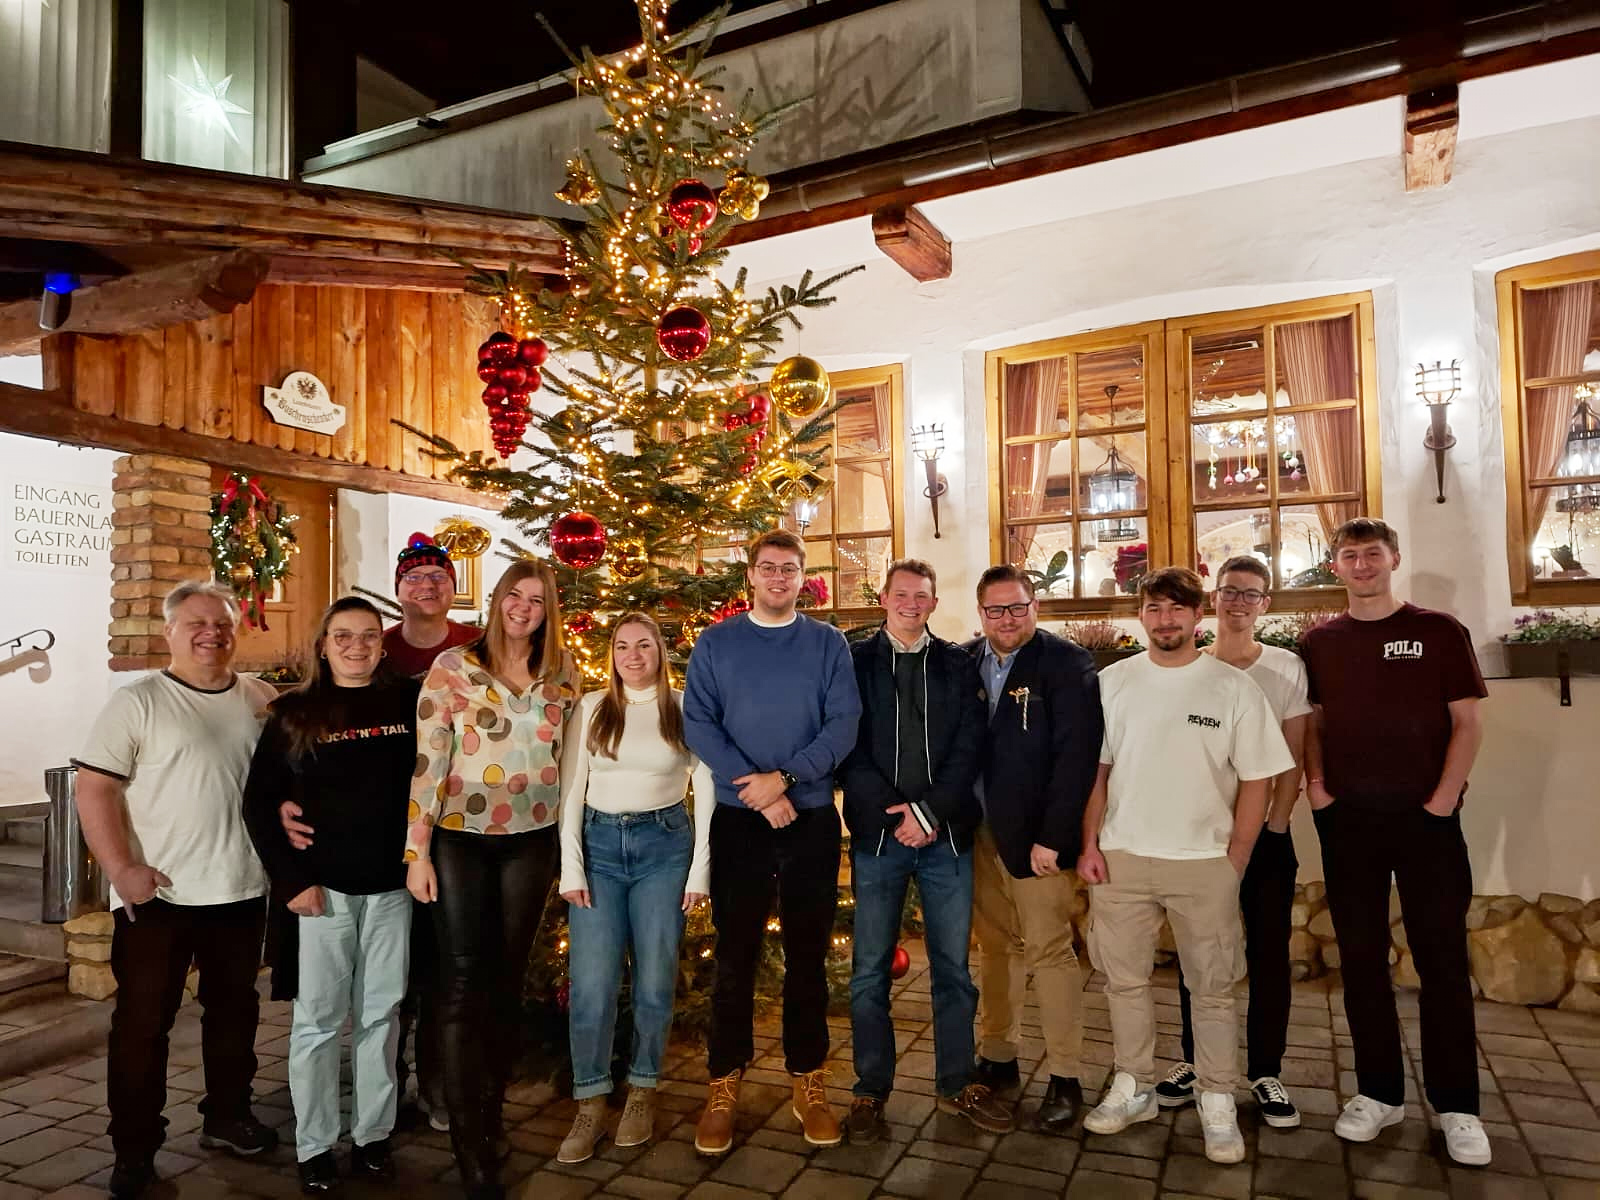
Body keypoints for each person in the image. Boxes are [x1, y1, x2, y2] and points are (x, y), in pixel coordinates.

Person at [73, 581, 280, 1200]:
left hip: (241, 890)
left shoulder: (260, 700)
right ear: (169, 631)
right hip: (157, 898)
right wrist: (121, 870)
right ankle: (134, 1149)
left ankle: (227, 1116)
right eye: (195, 623)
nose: (210, 632)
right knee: (141, 1028)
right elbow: (95, 789)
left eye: (220, 622)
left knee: (235, 1014)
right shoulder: (137, 703)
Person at [1078, 567, 1292, 1165]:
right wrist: (1090, 844)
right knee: (1123, 981)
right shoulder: (1113, 683)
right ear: (1139, 616)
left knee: (1214, 989)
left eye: (1176, 609)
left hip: (1204, 864)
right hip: (1122, 858)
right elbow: (1096, 773)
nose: (1164, 620)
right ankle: (1135, 1084)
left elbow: (1259, 777)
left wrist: (1237, 857)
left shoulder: (1231, 688)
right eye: (1153, 609)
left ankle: (1217, 1096)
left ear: (1197, 616)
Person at [1299, 518, 1491, 1167]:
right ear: (1335, 566)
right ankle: (1379, 1094)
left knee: (1440, 960)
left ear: (1393, 560)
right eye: (1349, 555)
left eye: (1371, 554)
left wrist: (1440, 802)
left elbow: (1467, 723)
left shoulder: (1439, 631)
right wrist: (1319, 789)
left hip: (1427, 823)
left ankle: (1457, 1105)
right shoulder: (1318, 642)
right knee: (1360, 962)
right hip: (1348, 820)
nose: (1361, 565)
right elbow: (1315, 723)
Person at [280, 535, 476, 1134]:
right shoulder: (366, 662)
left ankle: (423, 1098)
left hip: (446, 841)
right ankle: (352, 1114)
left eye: (437, 576)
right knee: (362, 998)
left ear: (451, 587)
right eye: (414, 577)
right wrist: (289, 808)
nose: (426, 586)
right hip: (358, 865)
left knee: (428, 978)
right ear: (399, 591)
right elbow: (282, 770)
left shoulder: (471, 649)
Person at [682, 529, 862, 1156]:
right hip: (738, 822)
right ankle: (723, 1082)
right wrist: (755, 789)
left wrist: (783, 780)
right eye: (768, 568)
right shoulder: (718, 642)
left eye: (790, 569)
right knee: (735, 958)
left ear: (802, 578)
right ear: (750, 577)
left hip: (810, 820)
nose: (779, 578)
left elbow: (843, 726)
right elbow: (698, 722)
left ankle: (807, 1081)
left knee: (808, 958)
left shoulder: (827, 644)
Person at [405, 558, 580, 1199]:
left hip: (530, 844)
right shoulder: (454, 668)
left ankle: (492, 1116)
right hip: (459, 843)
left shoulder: (561, 674)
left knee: (506, 984)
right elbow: (429, 762)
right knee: (459, 984)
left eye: (535, 599)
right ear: (497, 599)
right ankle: (469, 1141)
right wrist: (416, 852)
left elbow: (571, 766)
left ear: (546, 608)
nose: (523, 607)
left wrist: (570, 850)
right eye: (514, 595)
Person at [243, 597, 420, 1194]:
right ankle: (314, 1145)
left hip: (392, 889)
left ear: (381, 642)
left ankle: (372, 1137)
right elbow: (260, 804)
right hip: (322, 892)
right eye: (342, 636)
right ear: (323, 644)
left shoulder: (408, 703)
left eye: (368, 635)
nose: (356, 646)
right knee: (318, 1022)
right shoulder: (294, 713)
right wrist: (292, 881)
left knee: (381, 1017)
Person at [839, 560, 1009, 1142]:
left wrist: (929, 812)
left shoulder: (959, 664)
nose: (912, 603)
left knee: (953, 971)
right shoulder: (853, 661)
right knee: (868, 974)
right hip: (877, 836)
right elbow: (846, 744)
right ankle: (869, 1090)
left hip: (947, 836)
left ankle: (957, 1081)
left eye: (922, 595)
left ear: (934, 604)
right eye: (902, 593)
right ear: (883, 598)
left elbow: (970, 745)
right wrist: (896, 813)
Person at [1157, 555, 1310, 1129]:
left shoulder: (1286, 667)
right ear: (1212, 601)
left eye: (1251, 594)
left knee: (1268, 953)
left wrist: (1273, 825)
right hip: (1199, 839)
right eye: (1229, 593)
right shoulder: (1187, 665)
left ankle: (1266, 1070)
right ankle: (1195, 1061)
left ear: (1265, 604)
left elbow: (1293, 756)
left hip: (1266, 838)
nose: (1239, 603)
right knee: (1198, 954)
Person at [554, 613, 713, 1164]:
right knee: (593, 985)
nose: (633, 654)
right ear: (612, 652)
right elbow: (571, 788)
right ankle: (591, 1100)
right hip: (598, 851)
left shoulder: (685, 705)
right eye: (623, 645)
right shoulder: (593, 707)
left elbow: (708, 786)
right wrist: (571, 868)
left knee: (653, 978)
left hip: (664, 848)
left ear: (660, 651)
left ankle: (643, 1087)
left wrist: (700, 871)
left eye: (644, 644)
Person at [963, 564, 1101, 1131]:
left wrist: (1056, 837)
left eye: (1017, 607)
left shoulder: (1066, 664)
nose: (1007, 619)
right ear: (981, 614)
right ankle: (998, 1056)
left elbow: (1078, 758)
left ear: (1035, 607)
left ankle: (1066, 1075)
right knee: (995, 948)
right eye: (996, 610)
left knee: (1049, 952)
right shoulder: (966, 660)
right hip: (977, 832)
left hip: (1037, 839)